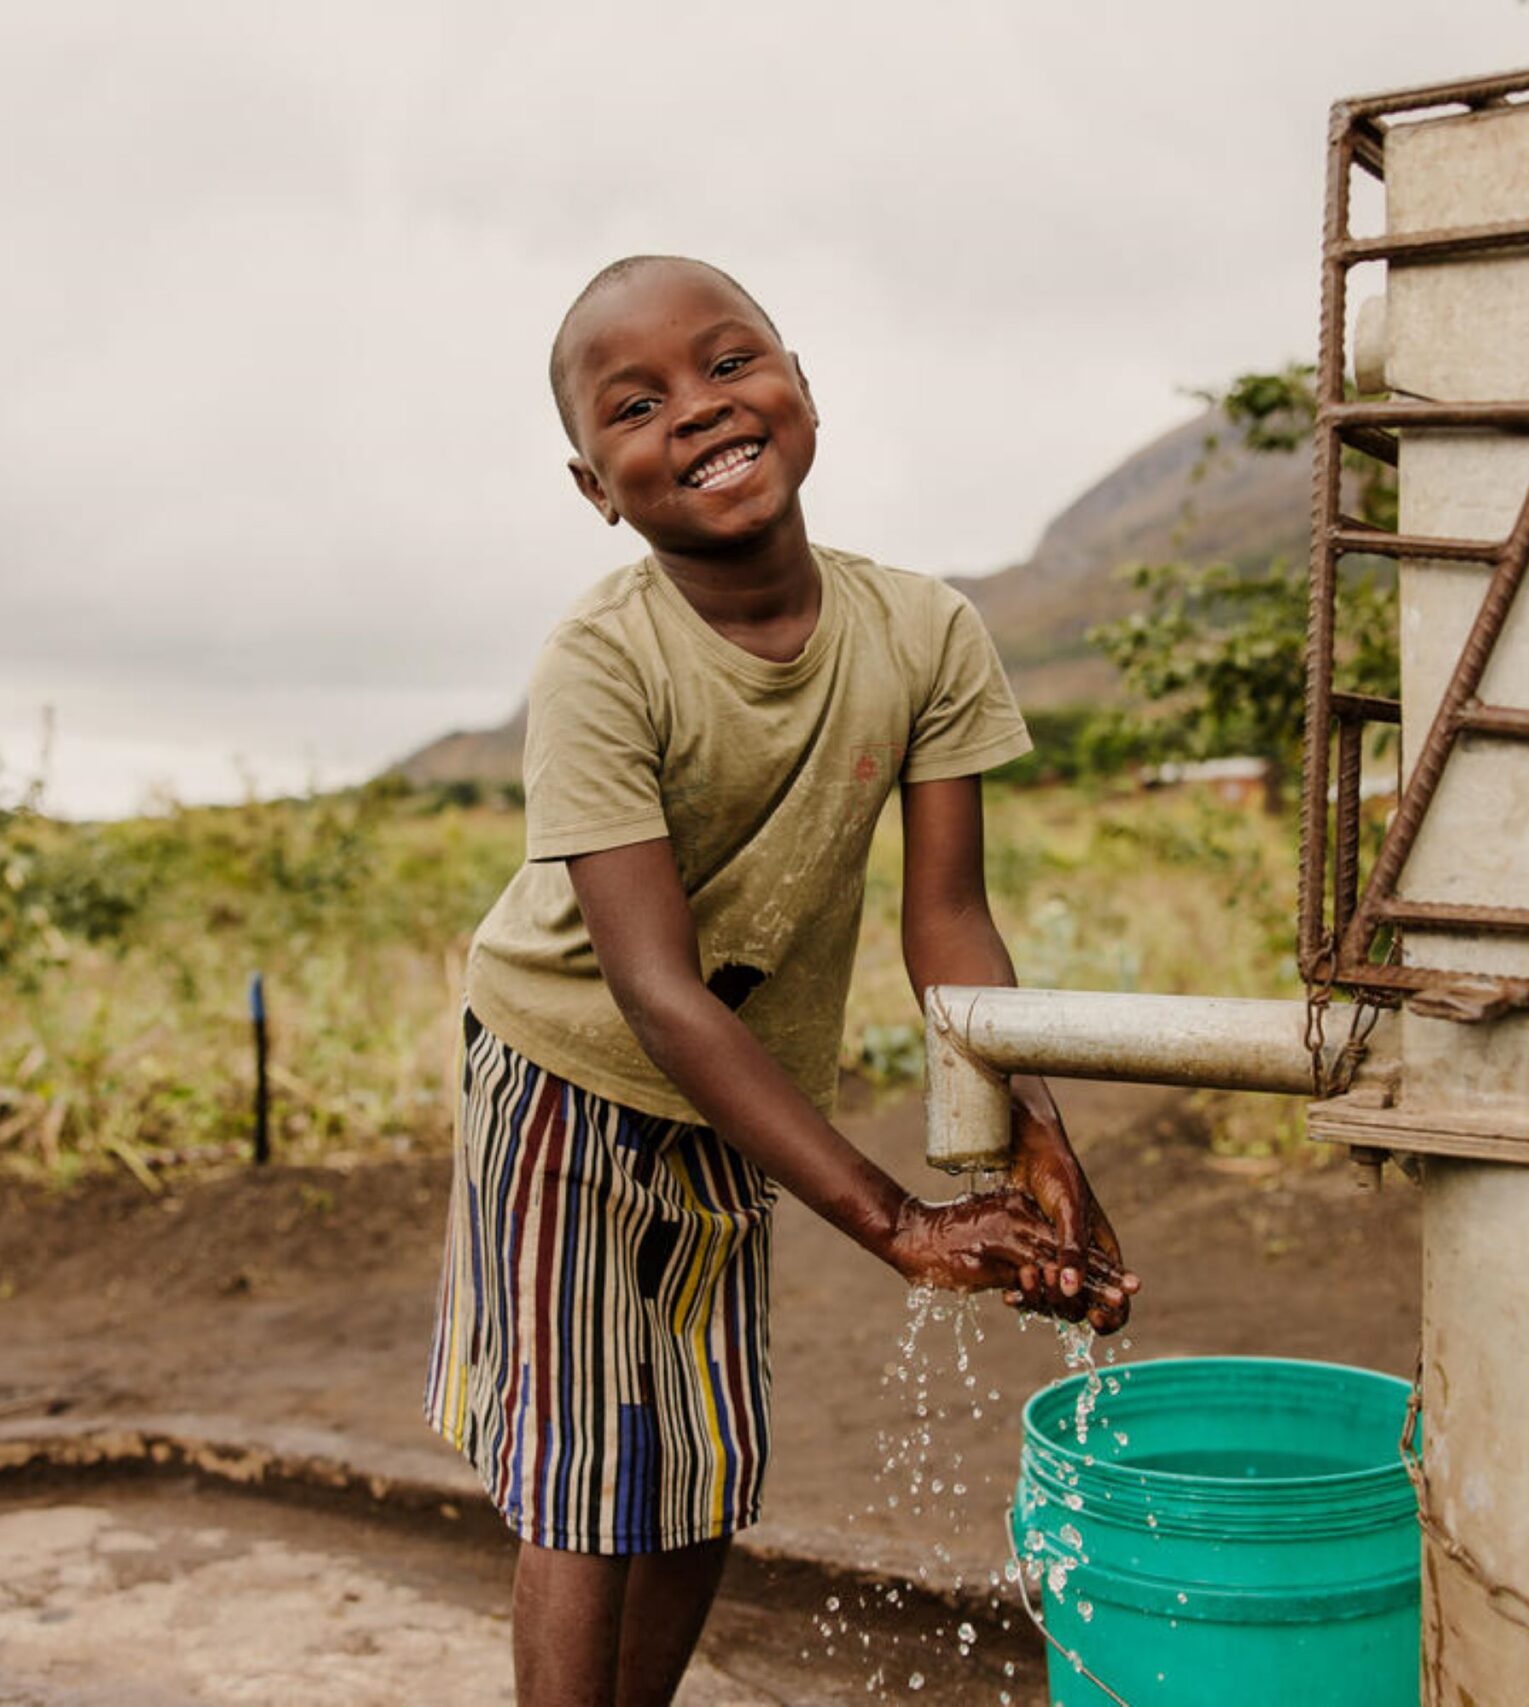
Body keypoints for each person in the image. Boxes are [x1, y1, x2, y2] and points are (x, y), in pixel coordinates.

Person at [423, 254, 1138, 1707]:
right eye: (637, 405)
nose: (697, 408)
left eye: (728, 362)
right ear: (595, 487)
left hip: (740, 1091)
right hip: (568, 1076)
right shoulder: (604, 663)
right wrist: (898, 1223)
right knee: (587, 1471)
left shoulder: (923, 631)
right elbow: (654, 988)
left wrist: (1036, 1135)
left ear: (801, 386)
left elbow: (950, 921)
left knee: (700, 1461)